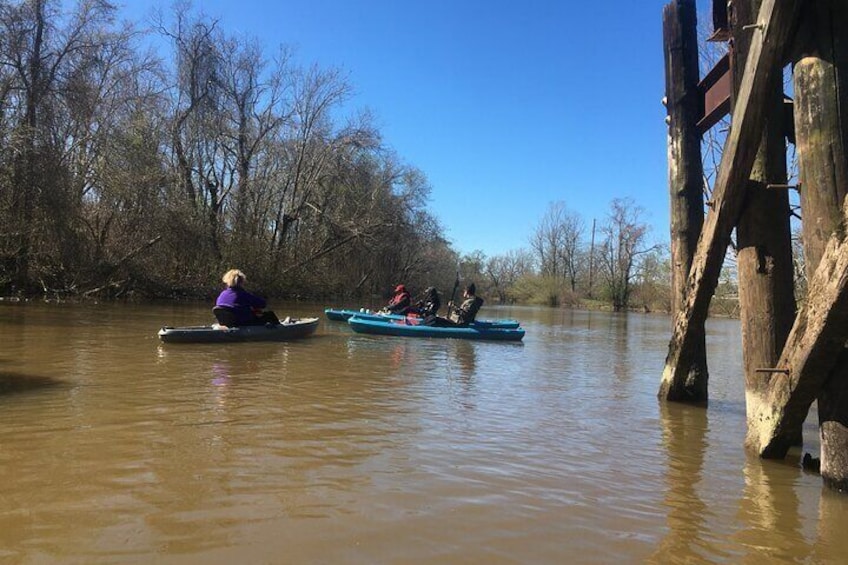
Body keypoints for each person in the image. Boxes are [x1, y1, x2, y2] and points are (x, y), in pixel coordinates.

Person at [214, 269, 280, 326]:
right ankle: (280, 329)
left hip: (228, 323)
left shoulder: (222, 294)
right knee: (269, 315)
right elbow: (263, 304)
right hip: (242, 323)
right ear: (242, 282)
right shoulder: (242, 294)